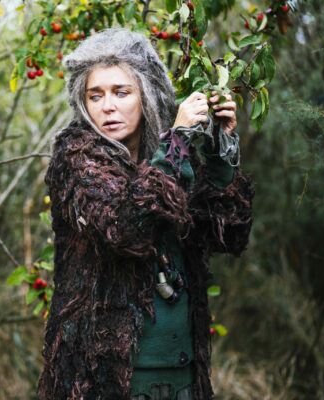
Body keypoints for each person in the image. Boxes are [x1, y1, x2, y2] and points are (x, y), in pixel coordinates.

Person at [37, 28, 253, 400]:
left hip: (183, 376)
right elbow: (125, 229)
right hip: (104, 382)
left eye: (122, 92)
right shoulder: (76, 159)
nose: (108, 106)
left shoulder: (170, 157)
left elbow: (228, 235)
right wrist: (178, 140)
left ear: (147, 95)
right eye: (96, 95)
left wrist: (220, 149)